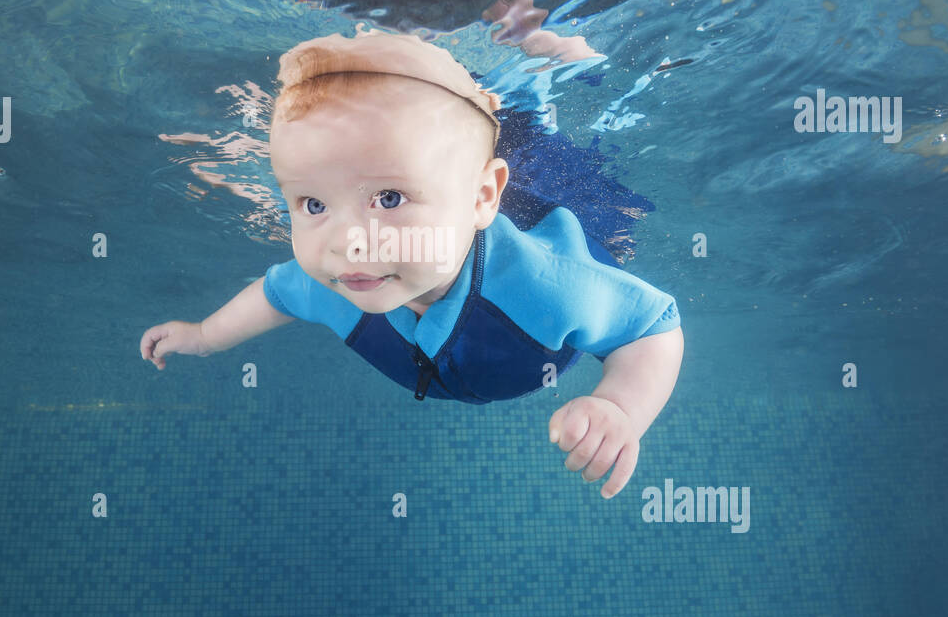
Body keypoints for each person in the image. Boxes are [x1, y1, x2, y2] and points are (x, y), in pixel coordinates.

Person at [140, 28, 683, 498]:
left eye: (390, 198)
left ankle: (538, 63)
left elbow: (653, 326)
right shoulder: (331, 280)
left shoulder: (548, 287)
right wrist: (203, 336)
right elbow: (275, 294)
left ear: (481, 197)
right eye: (313, 204)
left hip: (560, 205)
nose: (348, 243)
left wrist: (621, 407)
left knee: (533, 135)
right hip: (465, 196)